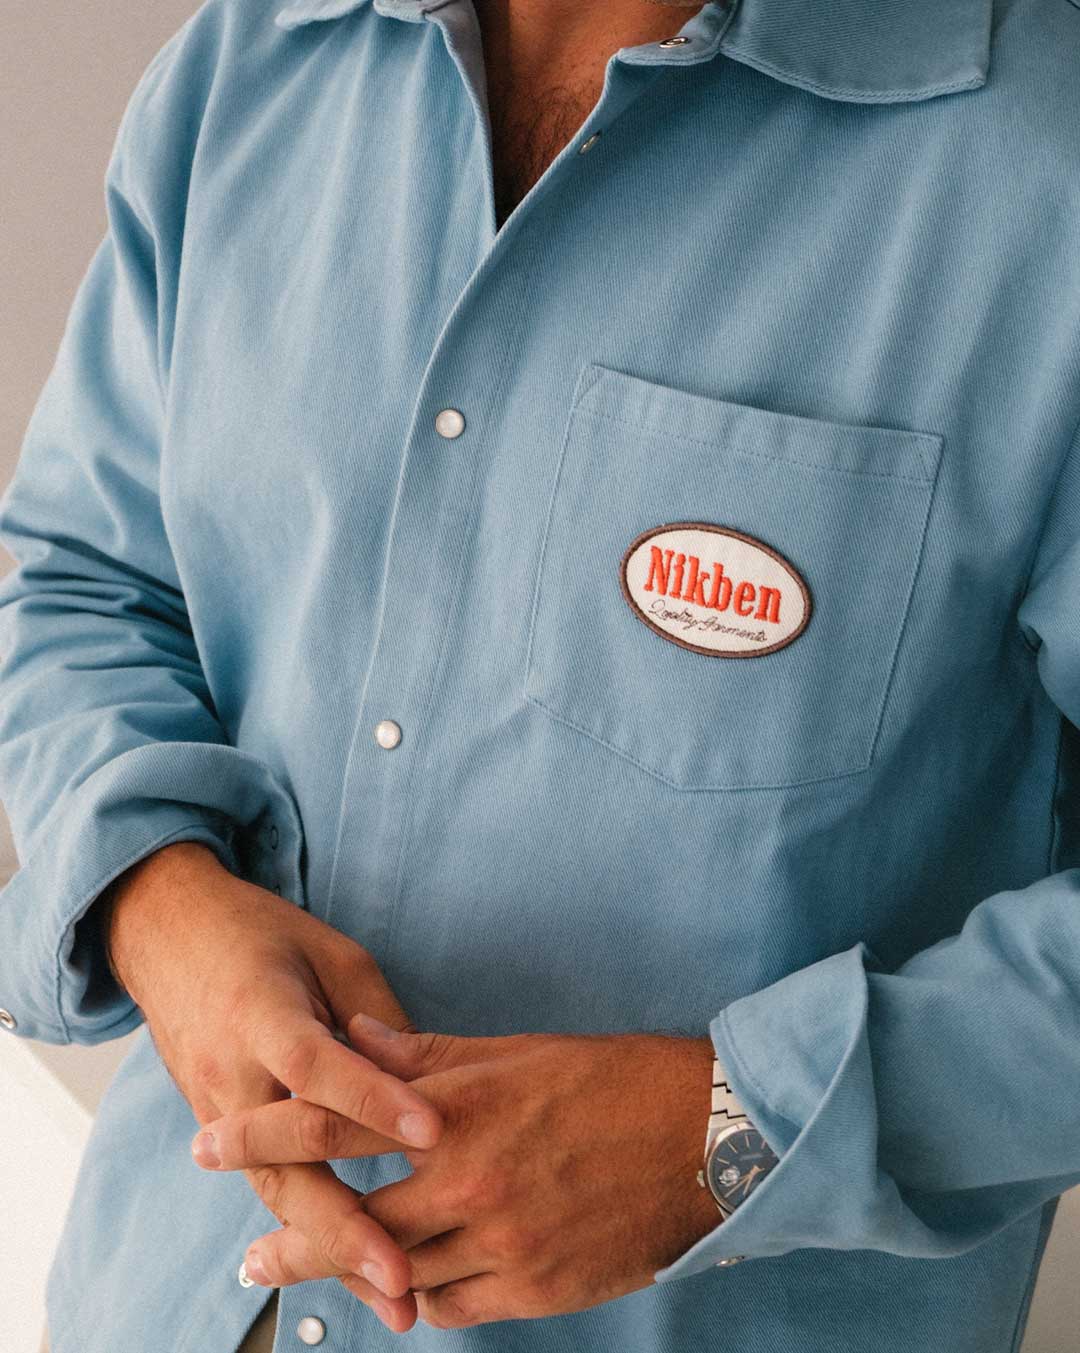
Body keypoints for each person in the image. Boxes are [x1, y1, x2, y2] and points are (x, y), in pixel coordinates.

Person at [2, 0, 1080, 1349]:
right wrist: (157, 904)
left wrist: (726, 1133)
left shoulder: (1045, 175)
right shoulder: (247, 65)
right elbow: (87, 578)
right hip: (161, 1302)